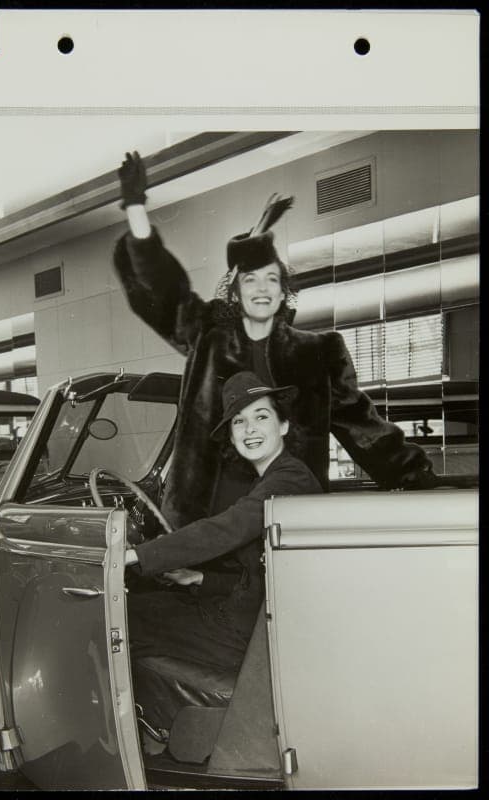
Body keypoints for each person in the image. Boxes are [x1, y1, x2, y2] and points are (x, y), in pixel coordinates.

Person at [113, 151, 438, 530]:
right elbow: (164, 288)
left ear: (285, 291)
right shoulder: (206, 336)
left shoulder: (319, 352)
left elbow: (364, 428)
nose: (262, 289)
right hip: (206, 515)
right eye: (250, 280)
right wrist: (136, 207)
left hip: (287, 516)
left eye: (271, 279)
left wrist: (418, 481)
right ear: (234, 291)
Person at [124, 370, 321, 674]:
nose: (249, 429)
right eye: (239, 421)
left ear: (284, 425)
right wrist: (197, 579)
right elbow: (259, 578)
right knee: (146, 608)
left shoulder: (289, 479)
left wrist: (135, 554)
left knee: (122, 618)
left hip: (251, 635)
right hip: (253, 620)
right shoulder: (275, 478)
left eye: (261, 416)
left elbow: (225, 528)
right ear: (231, 435)